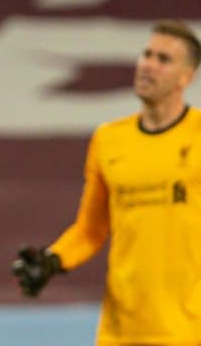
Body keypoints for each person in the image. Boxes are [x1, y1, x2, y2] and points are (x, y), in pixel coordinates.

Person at [12, 20, 201, 346]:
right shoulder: (109, 140)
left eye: (164, 59)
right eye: (147, 54)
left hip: (188, 328)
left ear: (187, 76)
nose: (148, 65)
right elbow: (90, 230)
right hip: (120, 330)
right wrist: (53, 261)